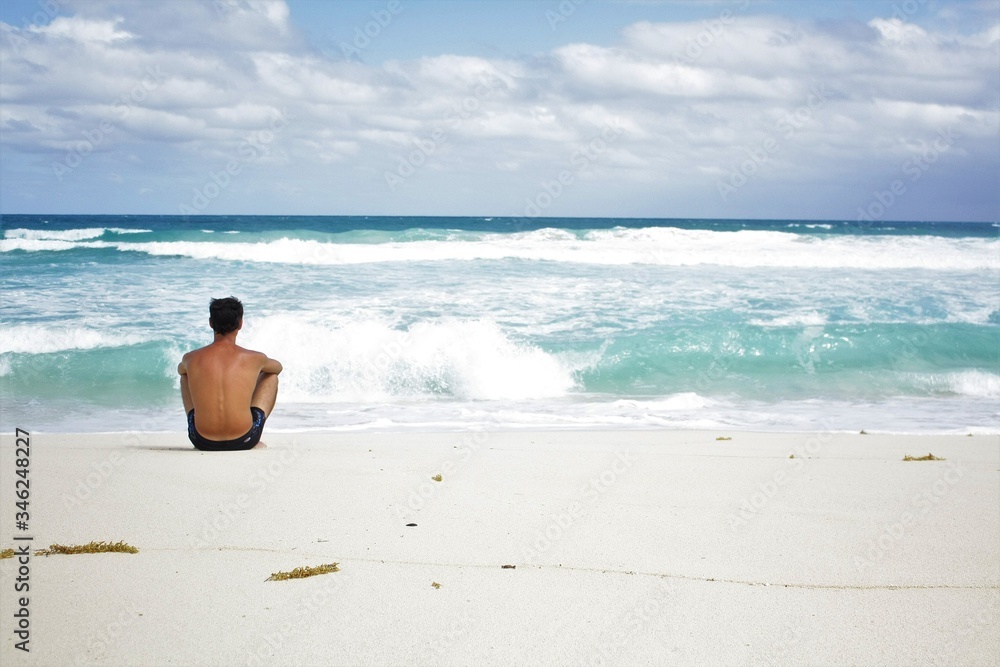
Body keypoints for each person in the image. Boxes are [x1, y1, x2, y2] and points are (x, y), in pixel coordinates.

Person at [178, 297, 282, 451]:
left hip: (201, 441)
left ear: (211, 323)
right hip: (246, 440)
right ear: (240, 324)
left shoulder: (190, 358)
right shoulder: (254, 358)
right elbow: (278, 368)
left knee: (185, 376)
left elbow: (181, 370)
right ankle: (248, 428)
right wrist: (252, 372)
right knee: (271, 376)